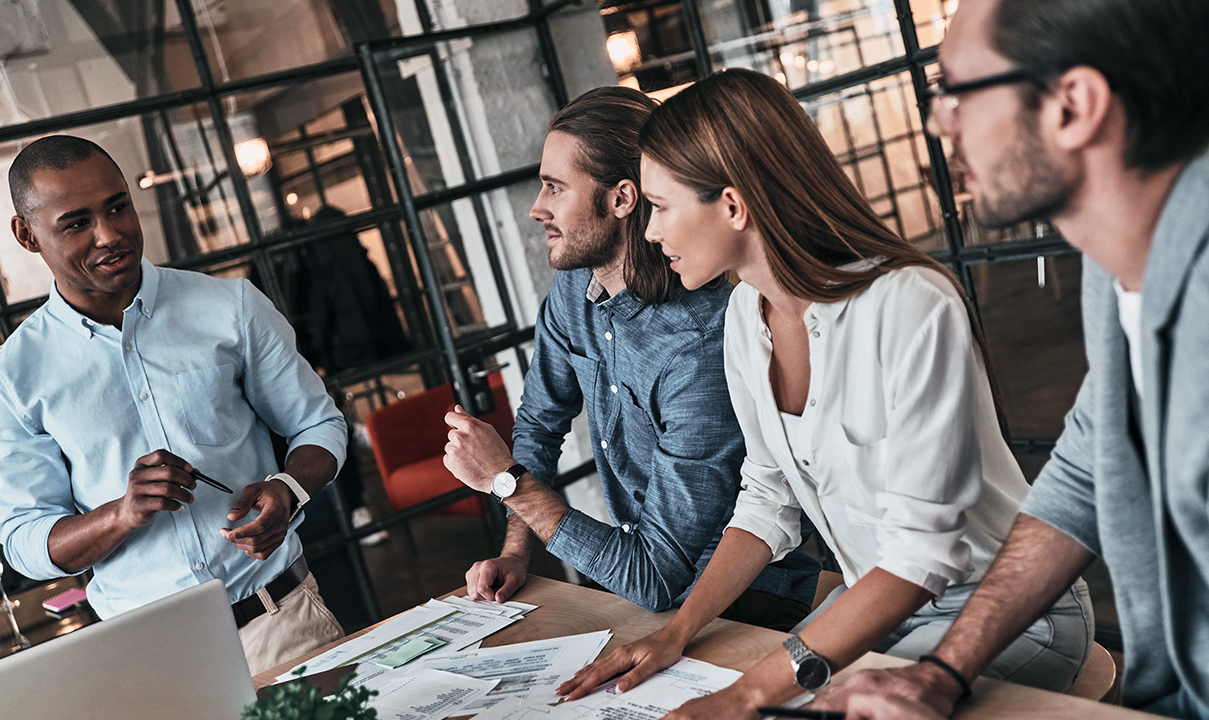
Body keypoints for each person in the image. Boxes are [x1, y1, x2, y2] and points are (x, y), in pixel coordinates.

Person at [557, 69, 1092, 718]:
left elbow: (922, 552)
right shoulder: (742, 318)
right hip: (877, 609)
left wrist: (745, 694)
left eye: (661, 207)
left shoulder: (909, 305)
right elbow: (766, 498)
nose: (648, 232)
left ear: (732, 205)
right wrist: (674, 634)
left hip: (1001, 613)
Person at [818, 0, 1209, 717]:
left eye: (956, 92)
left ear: (1073, 105)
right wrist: (942, 670)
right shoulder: (1116, 265)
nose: (938, 123)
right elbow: (1089, 466)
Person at [441, 86, 820, 625]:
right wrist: (516, 551)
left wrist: (506, 481)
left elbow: (656, 576)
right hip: (647, 594)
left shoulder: (696, 344)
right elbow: (539, 425)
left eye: (554, 187)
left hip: (747, 604)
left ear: (622, 199)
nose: (536, 208)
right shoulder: (574, 291)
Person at [0, 135, 349, 675]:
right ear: (27, 234)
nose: (110, 235)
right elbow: (24, 539)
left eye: (117, 206)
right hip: (154, 664)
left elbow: (318, 424)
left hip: (285, 626)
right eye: (76, 223)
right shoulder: (13, 377)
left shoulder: (232, 307)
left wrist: (289, 490)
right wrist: (121, 514)